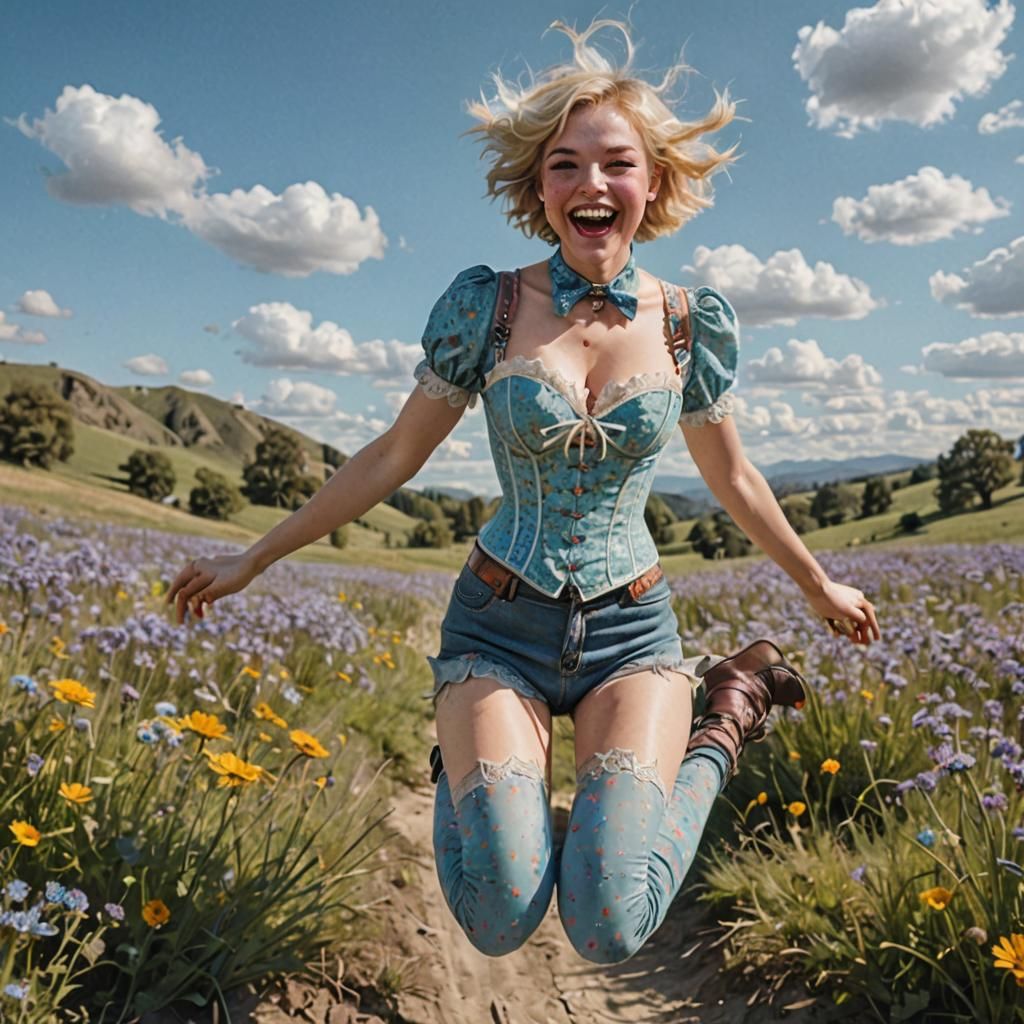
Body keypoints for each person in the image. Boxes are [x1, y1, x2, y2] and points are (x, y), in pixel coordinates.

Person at [165, 19, 881, 965]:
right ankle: (472, 776)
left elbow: (735, 477)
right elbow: (390, 456)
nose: (591, 185)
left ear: (653, 182)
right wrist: (251, 555)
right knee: (500, 916)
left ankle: (726, 713)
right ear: (538, 186)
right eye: (564, 165)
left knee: (609, 920)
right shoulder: (488, 306)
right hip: (498, 623)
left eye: (616, 164)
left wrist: (817, 587)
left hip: (633, 633)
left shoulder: (687, 326)